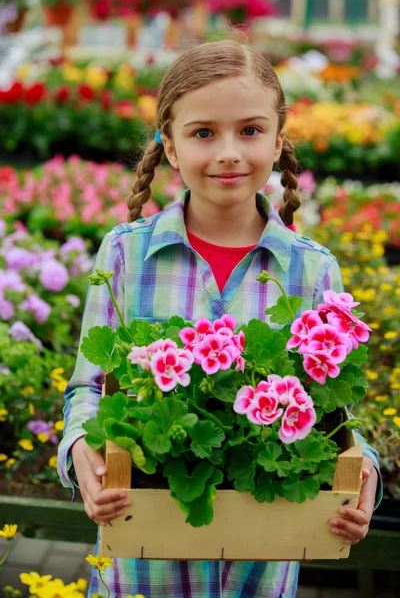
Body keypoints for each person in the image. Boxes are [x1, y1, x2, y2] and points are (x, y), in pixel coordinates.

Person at [57, 39, 382, 598]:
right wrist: (80, 451)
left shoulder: (312, 270)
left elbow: (333, 416)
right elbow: (88, 389)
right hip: (141, 570)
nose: (229, 152)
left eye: (251, 131)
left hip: (260, 571)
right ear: (171, 146)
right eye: (204, 132)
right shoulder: (125, 255)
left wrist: (363, 473)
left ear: (279, 142)